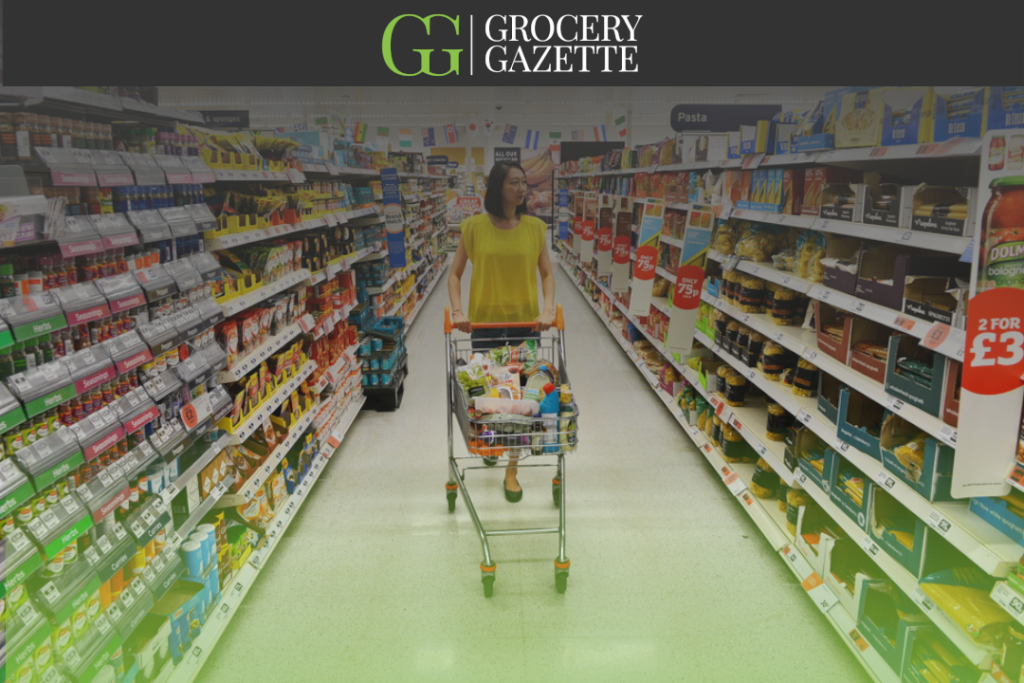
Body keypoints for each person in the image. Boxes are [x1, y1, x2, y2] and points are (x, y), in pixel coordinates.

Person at [448, 161, 556, 503]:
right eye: (514, 182)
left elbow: (547, 275)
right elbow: (455, 274)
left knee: (523, 401)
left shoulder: (535, 228)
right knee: (492, 395)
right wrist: (458, 312)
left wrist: (549, 308)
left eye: (524, 182)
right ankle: (492, 441)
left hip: (527, 325)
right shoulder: (474, 227)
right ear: (497, 188)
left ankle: (512, 470)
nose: (523, 188)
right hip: (485, 324)